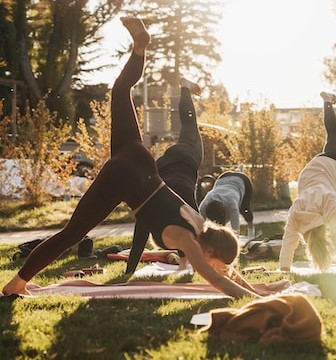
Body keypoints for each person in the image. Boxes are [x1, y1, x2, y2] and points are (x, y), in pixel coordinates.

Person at [1, 17, 260, 298]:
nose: (214, 266)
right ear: (209, 251)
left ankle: (139, 50)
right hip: (126, 178)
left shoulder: (201, 223)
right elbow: (217, 280)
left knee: (121, 91)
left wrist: (253, 287)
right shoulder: (189, 239)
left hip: (140, 159)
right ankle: (15, 285)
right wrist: (259, 298)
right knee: (71, 234)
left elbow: (225, 271)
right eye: (215, 261)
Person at [125, 77, 203, 274]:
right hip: (164, 168)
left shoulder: (170, 210)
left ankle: (185, 87)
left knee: (189, 125)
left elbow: (139, 240)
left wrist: (129, 272)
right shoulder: (154, 208)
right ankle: (185, 87)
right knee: (189, 126)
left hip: (177, 166)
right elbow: (194, 234)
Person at [279, 92, 336, 272]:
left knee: (333, 134)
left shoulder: (328, 202)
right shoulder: (297, 210)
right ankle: (328, 102)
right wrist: (284, 267)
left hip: (329, 164)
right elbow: (288, 239)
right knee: (331, 136)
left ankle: (327, 102)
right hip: (307, 174)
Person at [198, 171, 254, 235]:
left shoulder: (232, 206)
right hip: (223, 178)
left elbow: (236, 231)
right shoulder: (205, 205)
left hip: (243, 181)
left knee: (245, 209)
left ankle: (251, 232)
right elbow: (198, 224)